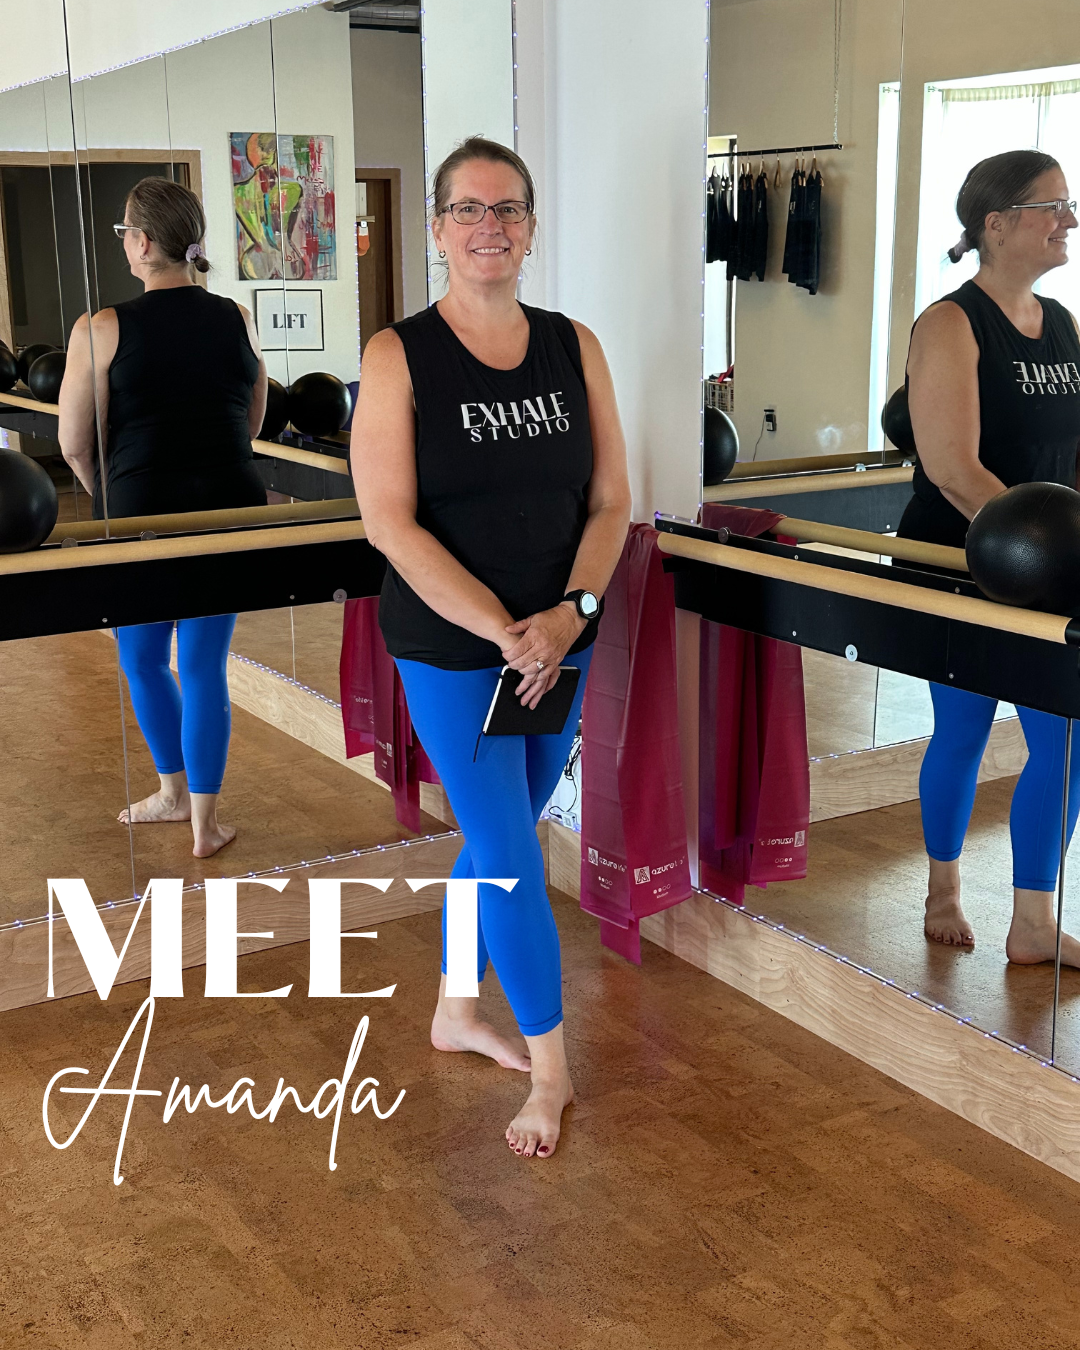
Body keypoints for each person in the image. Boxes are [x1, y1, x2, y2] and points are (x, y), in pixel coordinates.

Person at [351, 136, 632, 1159]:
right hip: (455, 648)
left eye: (508, 209)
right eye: (468, 210)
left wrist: (571, 616)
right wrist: (507, 632)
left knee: (497, 828)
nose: (490, 228)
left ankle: (454, 1011)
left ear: (530, 226)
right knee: (514, 854)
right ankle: (551, 1071)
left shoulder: (573, 344)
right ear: (436, 230)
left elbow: (609, 501)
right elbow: (391, 523)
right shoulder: (400, 354)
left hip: (562, 640)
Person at [896, 150, 1080, 959]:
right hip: (962, 558)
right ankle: (943, 884)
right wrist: (1029, 554)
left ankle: (1034, 922)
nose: (1068, 221)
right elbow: (951, 465)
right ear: (996, 224)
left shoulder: (1066, 323)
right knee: (964, 727)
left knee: (1068, 737)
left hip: (1054, 564)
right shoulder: (949, 323)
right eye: (1053, 206)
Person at [58, 176, 268, 858]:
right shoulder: (233, 316)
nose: (124, 243)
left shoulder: (101, 327)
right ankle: (206, 824)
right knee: (204, 665)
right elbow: (252, 414)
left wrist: (108, 492)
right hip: (231, 510)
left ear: (143, 242)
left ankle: (173, 794)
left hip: (140, 516)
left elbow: (72, 442)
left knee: (144, 659)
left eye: (124, 232)